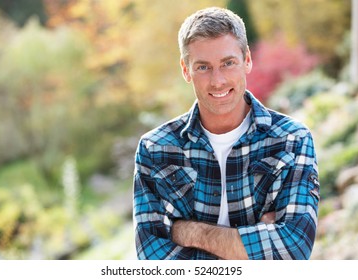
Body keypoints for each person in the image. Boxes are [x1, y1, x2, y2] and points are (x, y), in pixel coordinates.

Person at [133, 7, 320, 260]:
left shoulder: (292, 140)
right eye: (203, 67)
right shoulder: (155, 149)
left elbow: (293, 249)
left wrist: (192, 233)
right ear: (185, 69)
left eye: (228, 63)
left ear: (247, 60)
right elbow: (153, 259)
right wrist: (256, 242)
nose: (217, 80)